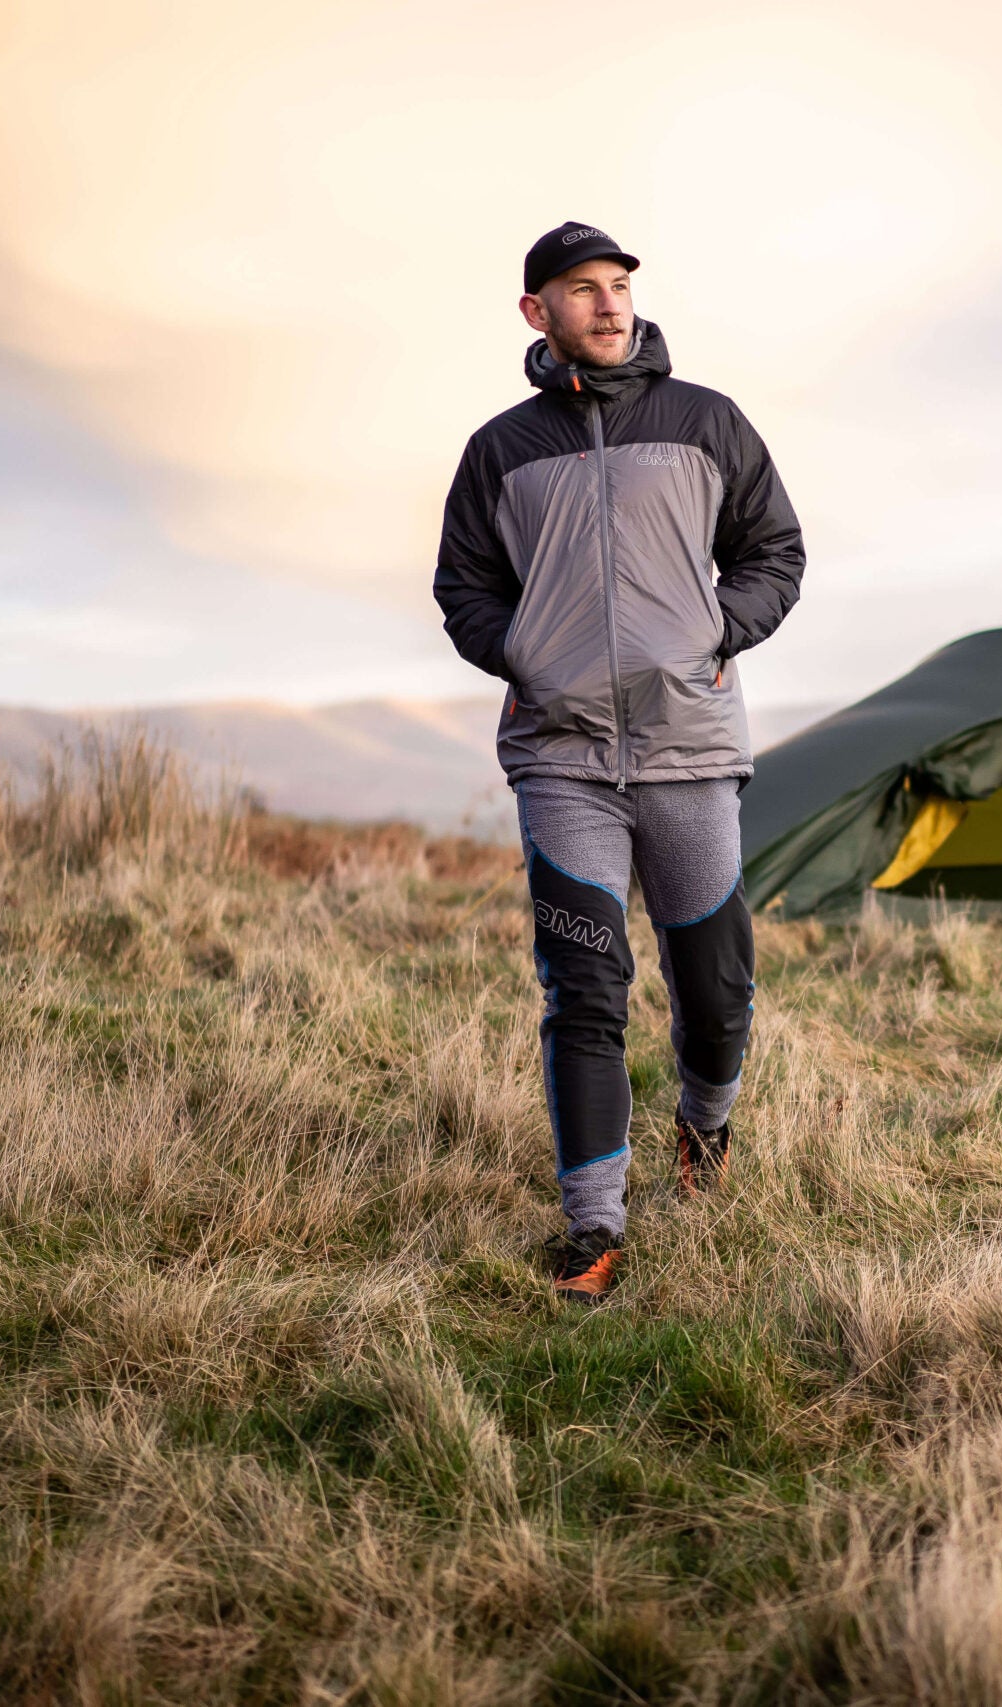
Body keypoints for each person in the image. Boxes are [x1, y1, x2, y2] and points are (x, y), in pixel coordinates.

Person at [433, 222, 805, 1302]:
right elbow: (464, 590)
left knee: (716, 984)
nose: (609, 306)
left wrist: (713, 632)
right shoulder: (500, 450)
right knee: (584, 986)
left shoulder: (706, 422)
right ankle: (594, 1225)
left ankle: (705, 1126)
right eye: (583, 291)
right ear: (536, 312)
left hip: (690, 748)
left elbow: (774, 551)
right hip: (563, 760)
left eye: (620, 287)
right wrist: (524, 654)